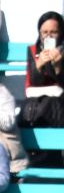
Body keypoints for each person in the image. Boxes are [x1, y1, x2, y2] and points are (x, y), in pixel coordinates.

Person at [18, 12, 64, 167]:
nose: (48, 36)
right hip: (37, 99)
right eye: (45, 32)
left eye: (53, 32)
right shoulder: (33, 50)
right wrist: (38, 65)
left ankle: (47, 155)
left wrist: (58, 67)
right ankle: (36, 153)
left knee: (50, 103)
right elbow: (34, 82)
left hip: (59, 99)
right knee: (29, 105)